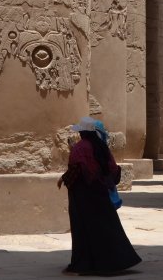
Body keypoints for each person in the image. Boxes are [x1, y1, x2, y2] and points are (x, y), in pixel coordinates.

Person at [58, 117, 142, 275]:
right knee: (107, 227)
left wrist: (64, 178)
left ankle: (85, 263)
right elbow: (114, 171)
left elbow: (77, 169)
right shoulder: (102, 147)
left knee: (84, 229)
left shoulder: (80, 148)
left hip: (83, 195)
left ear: (83, 133)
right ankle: (117, 260)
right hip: (101, 193)